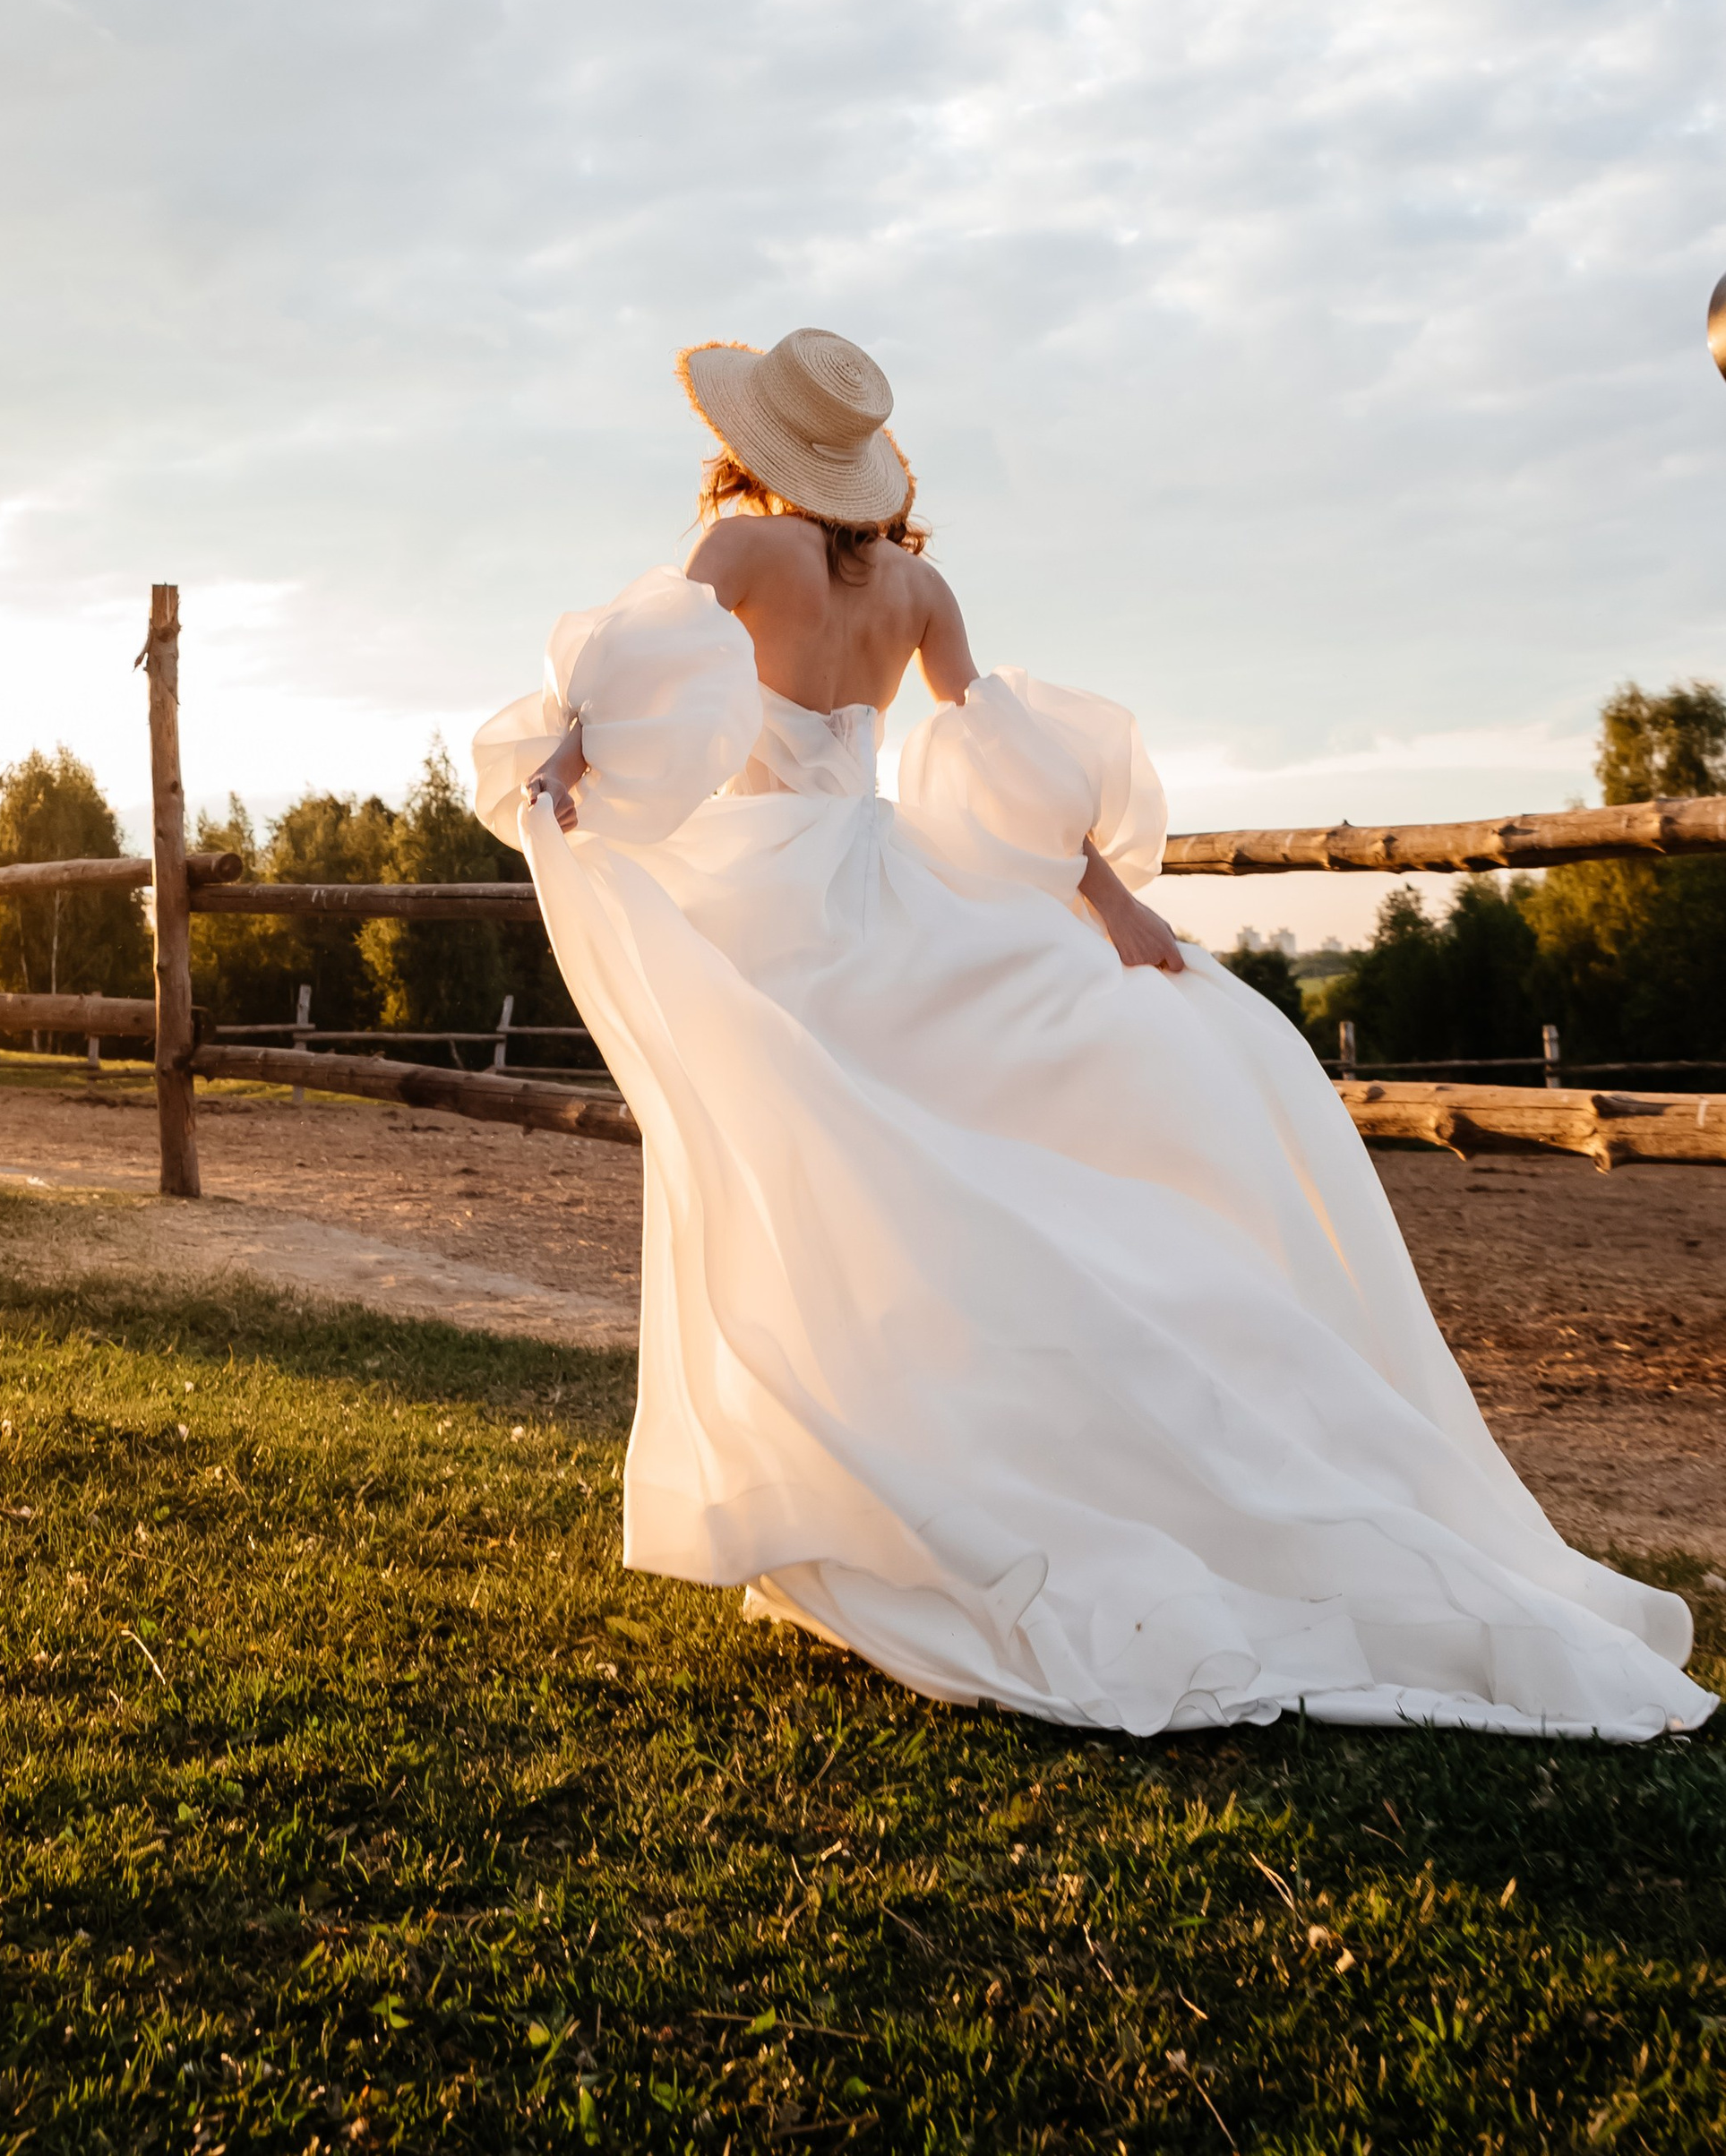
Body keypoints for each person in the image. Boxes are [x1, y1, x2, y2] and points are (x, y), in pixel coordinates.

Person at [473, 326, 1711, 1741]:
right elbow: (999, 766)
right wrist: (1113, 904)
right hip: (884, 887)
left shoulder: (740, 554)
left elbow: (648, 676)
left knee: (832, 1192)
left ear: (759, 448)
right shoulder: (922, 590)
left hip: (774, 901)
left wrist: (566, 753)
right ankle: (930, 1480)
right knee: (939, 1181)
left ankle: (886, 1490)